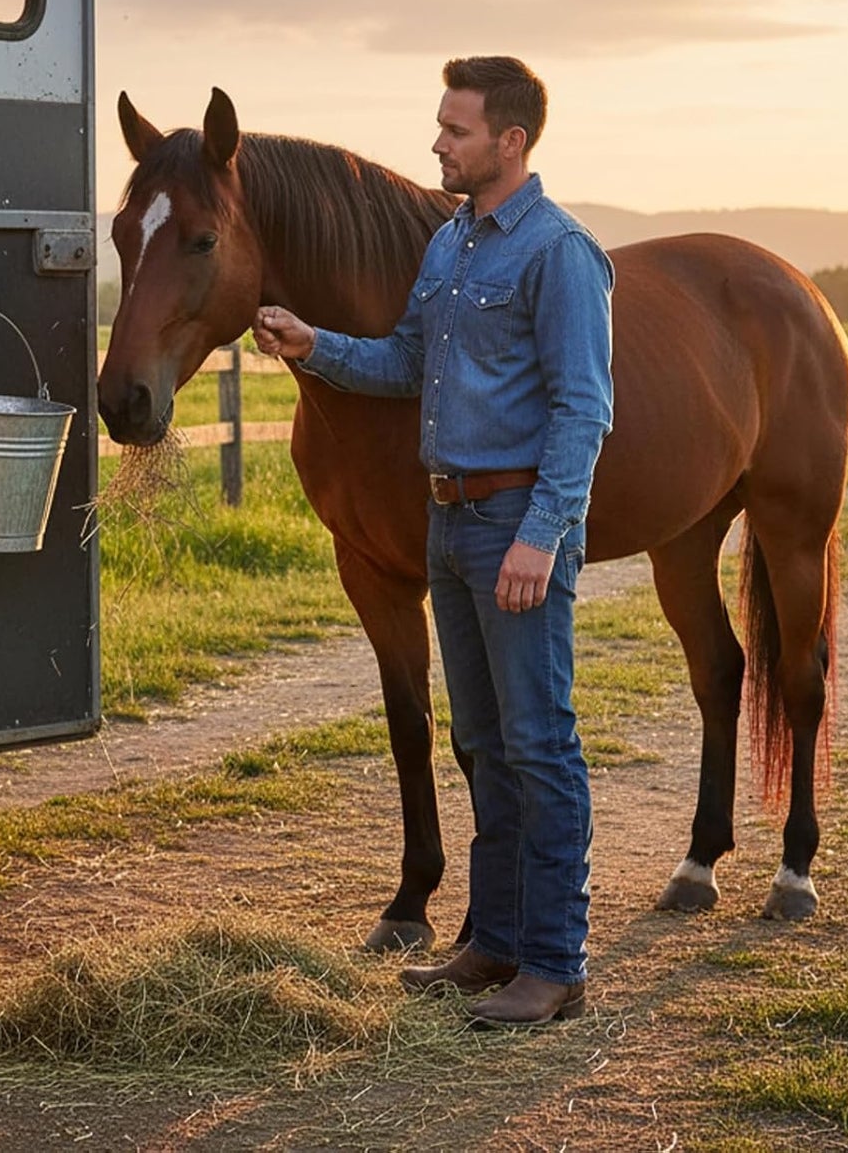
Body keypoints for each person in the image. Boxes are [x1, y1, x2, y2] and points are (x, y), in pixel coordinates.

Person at [253, 56, 614, 1028]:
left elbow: (583, 410)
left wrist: (542, 534)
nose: (436, 144)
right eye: (438, 126)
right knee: (482, 742)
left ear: (509, 141)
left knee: (540, 745)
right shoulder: (450, 245)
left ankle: (555, 962)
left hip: (512, 523)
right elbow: (404, 360)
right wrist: (310, 343)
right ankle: (490, 940)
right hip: (446, 517)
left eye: (454, 131)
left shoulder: (557, 251)